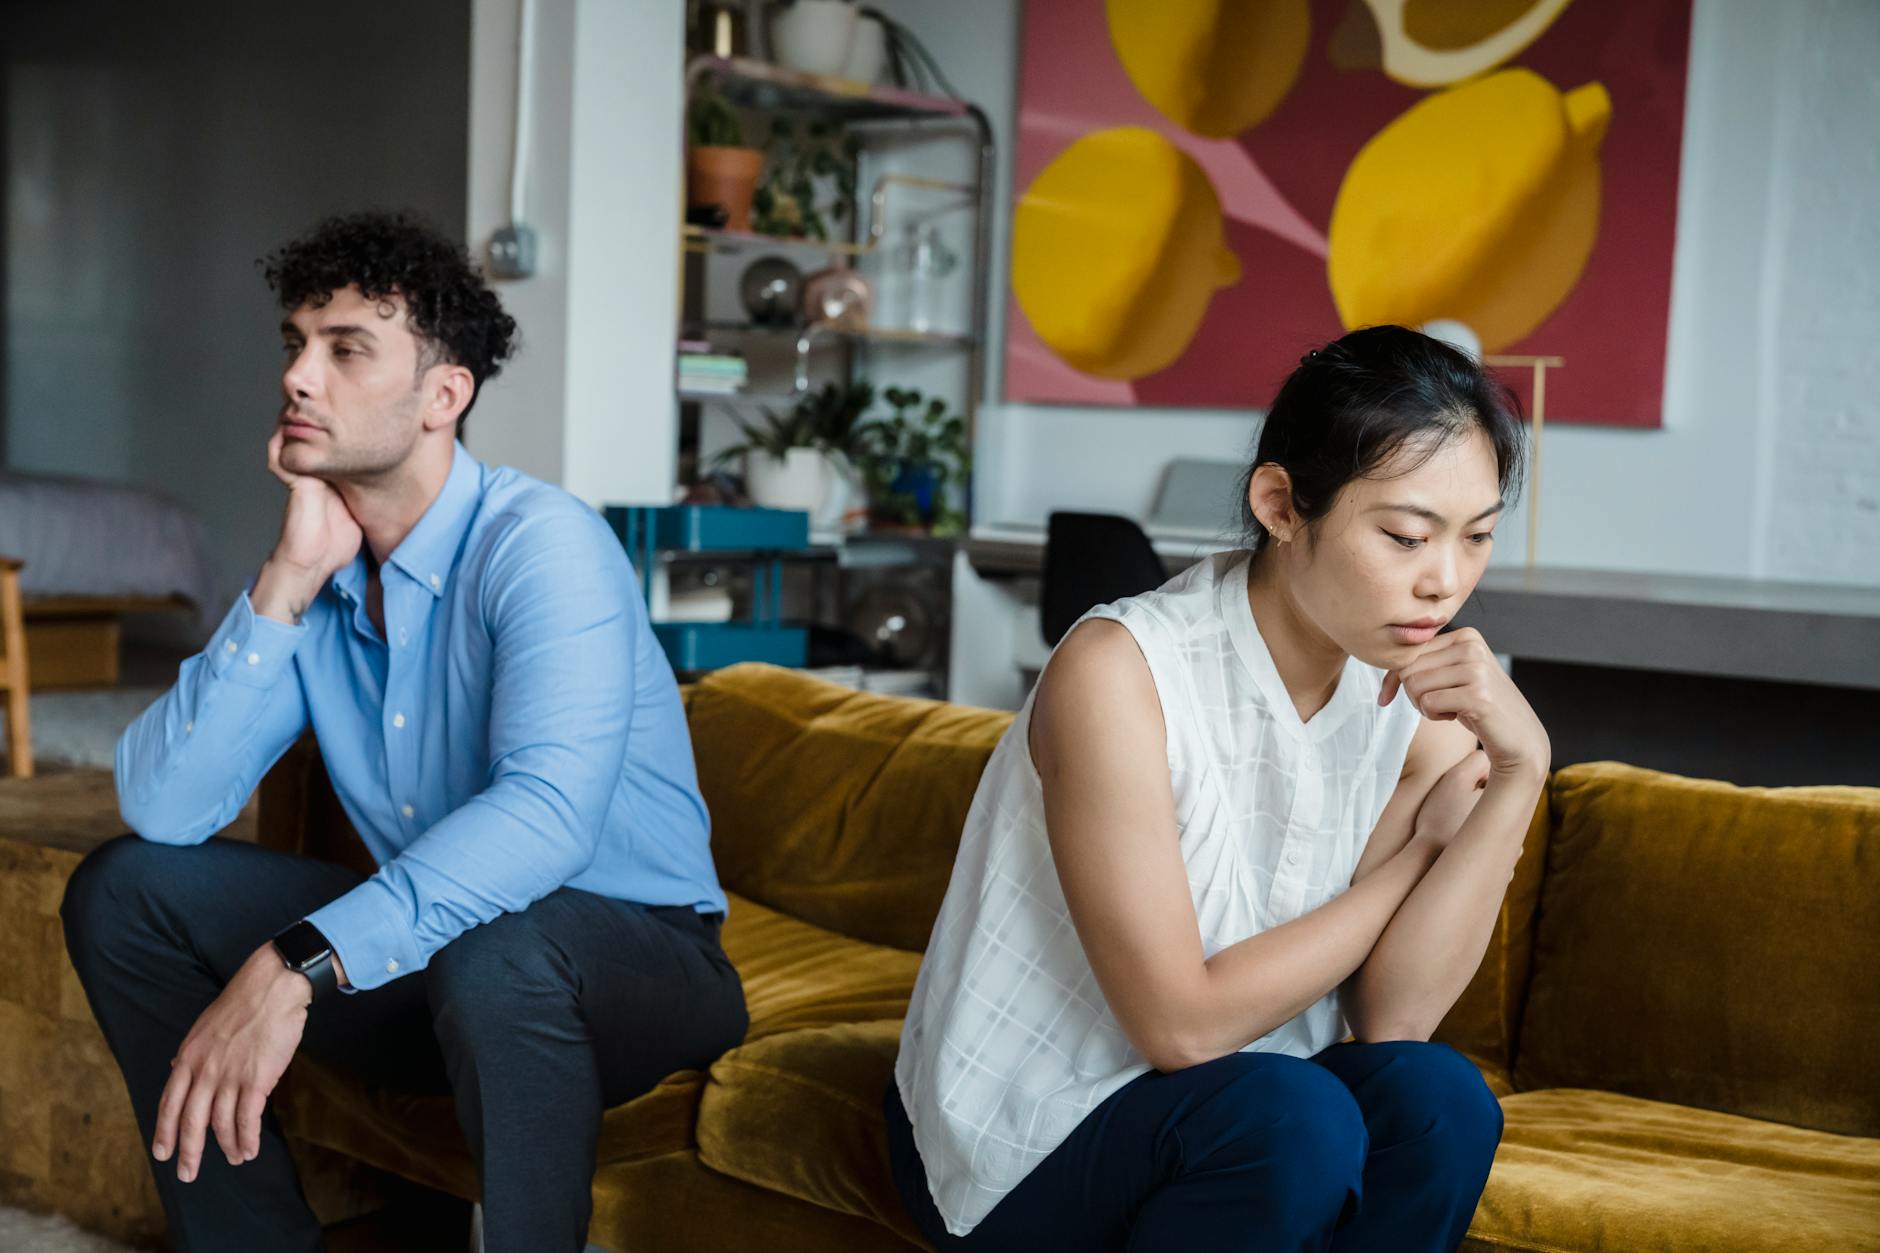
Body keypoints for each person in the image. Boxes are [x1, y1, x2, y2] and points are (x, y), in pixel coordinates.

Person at [60, 210, 747, 1253]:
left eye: (344, 350)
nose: (298, 376)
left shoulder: (542, 544)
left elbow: (547, 816)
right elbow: (164, 804)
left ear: (444, 395)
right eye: (295, 344)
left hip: (636, 965)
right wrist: (286, 580)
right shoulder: (324, 569)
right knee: (124, 888)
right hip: (445, 956)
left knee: (500, 953)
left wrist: (300, 959)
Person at [889, 325, 1548, 1251]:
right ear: (1281, 503)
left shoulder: (1415, 693)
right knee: (1294, 1119)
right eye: (1404, 535)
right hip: (1028, 1123)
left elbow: (1394, 1018)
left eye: (1475, 536)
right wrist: (1420, 856)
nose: (1444, 581)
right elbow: (1181, 1027)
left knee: (1440, 1100)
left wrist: (1521, 773)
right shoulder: (1120, 671)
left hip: (1252, 1104)